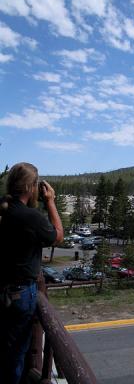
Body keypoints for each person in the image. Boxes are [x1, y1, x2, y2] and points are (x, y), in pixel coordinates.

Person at [0, 162, 63, 384]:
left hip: (4, 290)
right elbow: (57, 235)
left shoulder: (5, 209)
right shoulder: (29, 217)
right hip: (20, 294)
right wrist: (50, 201)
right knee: (16, 354)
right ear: (30, 187)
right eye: (36, 184)